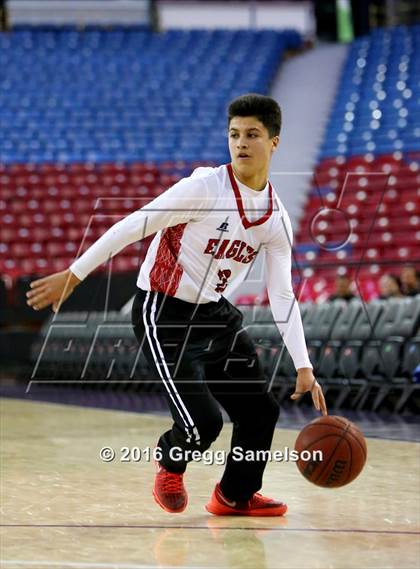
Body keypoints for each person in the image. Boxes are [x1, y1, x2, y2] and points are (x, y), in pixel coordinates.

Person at [26, 93, 327, 517]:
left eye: (252, 135)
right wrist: (75, 274)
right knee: (203, 424)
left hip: (214, 313)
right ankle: (170, 461)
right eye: (234, 134)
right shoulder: (204, 187)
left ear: (274, 142)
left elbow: (282, 293)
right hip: (163, 311)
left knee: (260, 411)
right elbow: (133, 224)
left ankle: (235, 495)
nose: (241, 143)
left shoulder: (275, 217)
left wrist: (303, 364)